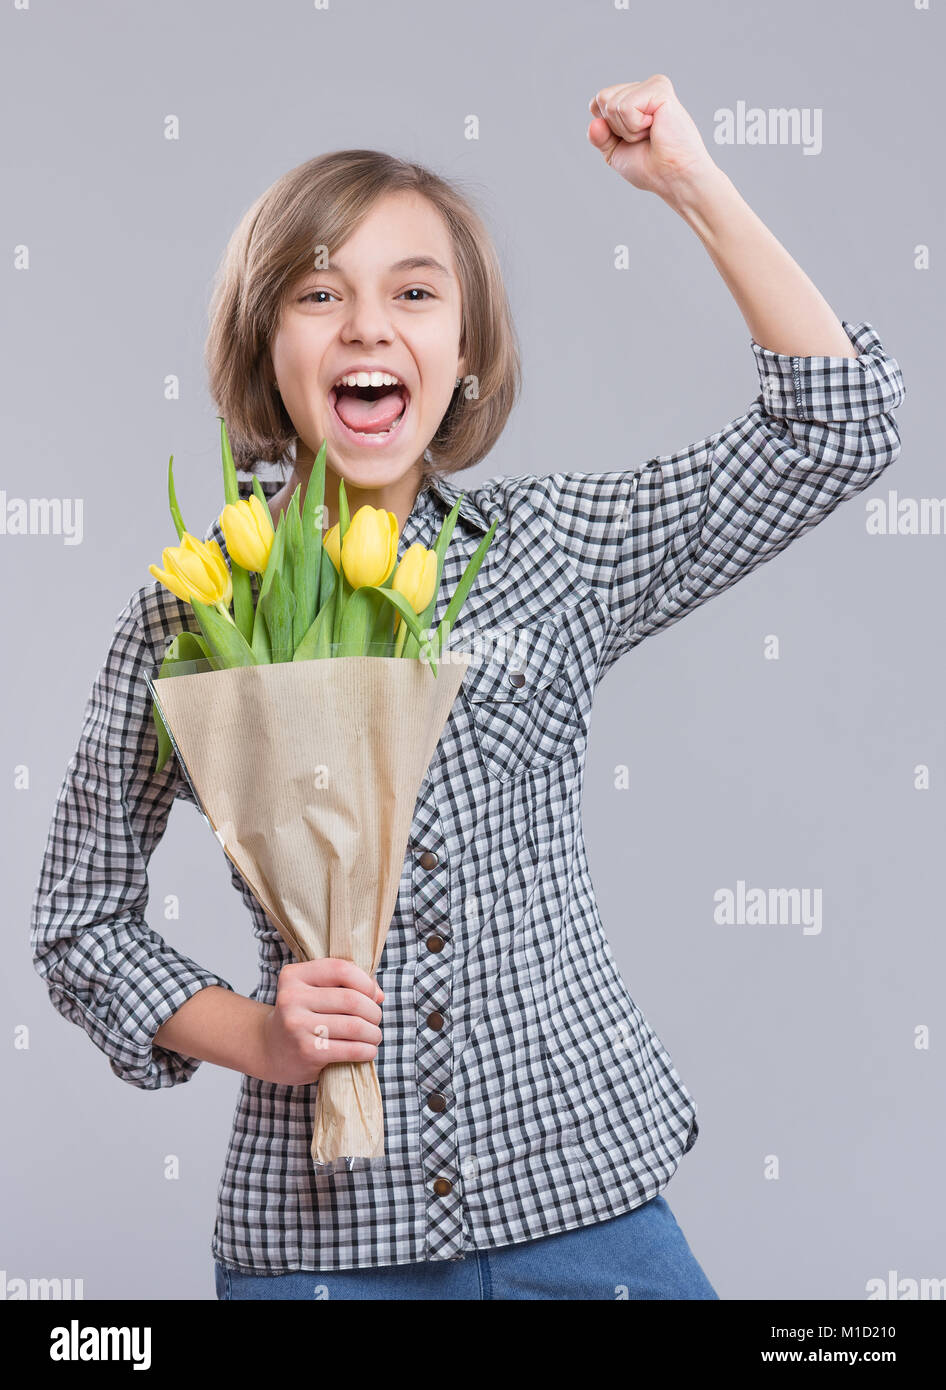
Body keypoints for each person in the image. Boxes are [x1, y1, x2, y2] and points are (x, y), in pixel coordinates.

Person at [30, 75, 904, 1301]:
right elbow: (80, 923)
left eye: (414, 293)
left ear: (465, 355)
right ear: (262, 347)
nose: (367, 327)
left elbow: (838, 429)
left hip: (585, 1205)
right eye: (318, 293)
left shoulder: (553, 553)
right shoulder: (192, 611)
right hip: (323, 1239)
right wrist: (266, 1038)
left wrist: (689, 185)